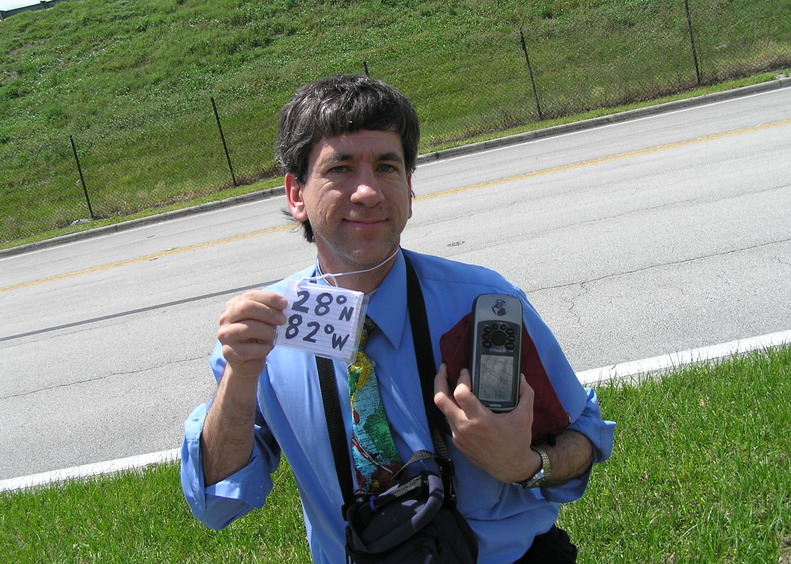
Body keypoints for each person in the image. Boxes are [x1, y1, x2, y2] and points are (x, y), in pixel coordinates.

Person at [181, 74, 615, 563]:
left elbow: (586, 437)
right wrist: (240, 377)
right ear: (296, 195)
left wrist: (526, 465)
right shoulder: (264, 332)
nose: (367, 191)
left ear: (409, 188)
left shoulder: (483, 302)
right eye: (340, 168)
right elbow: (217, 504)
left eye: (386, 167)